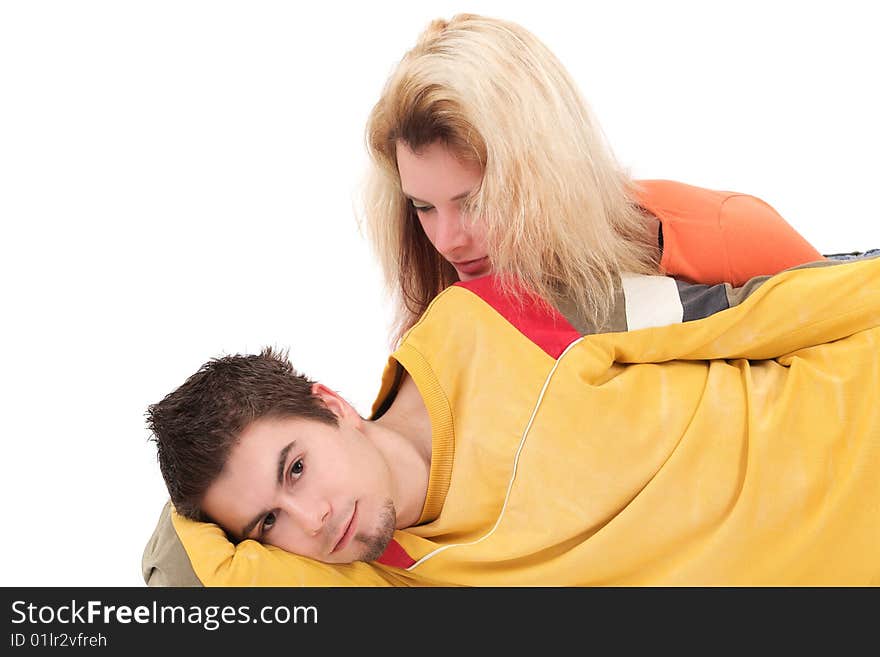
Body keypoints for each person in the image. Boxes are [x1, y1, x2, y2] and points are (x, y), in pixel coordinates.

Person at [146, 254, 880, 585]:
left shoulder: (486, 320)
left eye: (295, 466)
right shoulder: (387, 586)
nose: (311, 517)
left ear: (331, 402)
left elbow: (742, 309)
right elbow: (183, 579)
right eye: (268, 523)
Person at [362, 13, 822, 343]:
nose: (447, 240)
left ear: (546, 175)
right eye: (423, 207)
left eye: (477, 203)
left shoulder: (721, 232)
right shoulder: (440, 306)